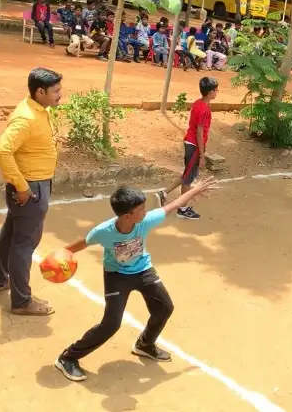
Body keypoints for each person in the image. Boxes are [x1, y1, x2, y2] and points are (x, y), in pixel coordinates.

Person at [53, 179, 217, 382]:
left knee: (164, 307)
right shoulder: (103, 232)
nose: (145, 212)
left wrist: (195, 190)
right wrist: (59, 257)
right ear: (127, 215)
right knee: (111, 324)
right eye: (141, 209)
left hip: (143, 271)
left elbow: (174, 205)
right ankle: (68, 357)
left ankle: (145, 344)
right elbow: (78, 245)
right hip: (116, 276)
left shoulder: (145, 221)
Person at [0, 68, 63, 316]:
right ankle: (21, 302)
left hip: (34, 184)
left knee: (10, 234)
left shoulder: (39, 109)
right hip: (31, 189)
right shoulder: (26, 118)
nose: (60, 95)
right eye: (56, 91)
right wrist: (22, 186)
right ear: (40, 92)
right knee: (24, 244)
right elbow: (1, 151)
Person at [156, 77, 218, 220]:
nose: (217, 93)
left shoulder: (198, 103)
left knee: (187, 174)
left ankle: (164, 193)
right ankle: (182, 209)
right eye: (216, 90)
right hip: (195, 146)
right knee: (188, 180)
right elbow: (199, 133)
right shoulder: (205, 110)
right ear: (210, 92)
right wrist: (202, 155)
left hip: (190, 143)